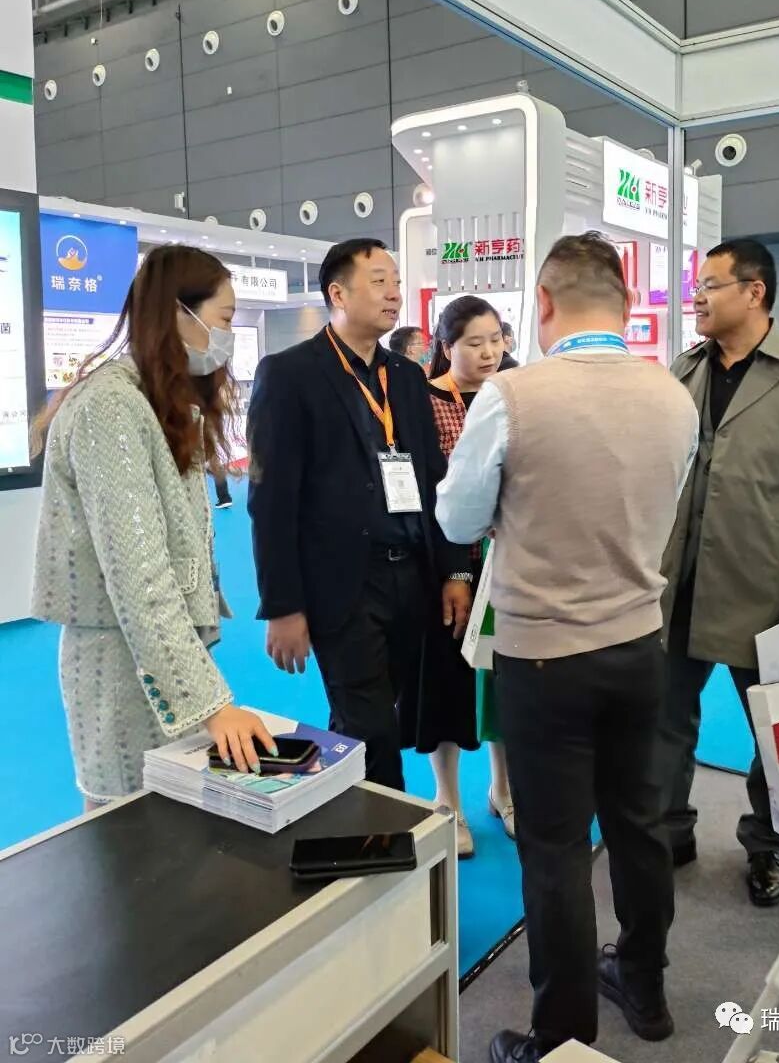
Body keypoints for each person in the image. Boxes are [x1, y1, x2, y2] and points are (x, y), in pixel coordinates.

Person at [437, 232, 699, 1062]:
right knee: (638, 824)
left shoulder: (512, 396)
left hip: (543, 654)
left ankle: (560, 1037)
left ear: (543, 303)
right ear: (626, 303)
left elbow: (456, 518)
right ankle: (645, 987)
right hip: (639, 643)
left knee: (554, 846)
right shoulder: (674, 395)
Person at [31, 245, 276, 807]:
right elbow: (138, 576)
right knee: (130, 823)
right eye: (224, 319)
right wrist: (213, 705)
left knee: (173, 819)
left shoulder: (156, 400)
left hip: (165, 653)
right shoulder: (110, 407)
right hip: (120, 663)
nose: (227, 336)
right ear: (177, 314)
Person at [657, 238, 779, 907]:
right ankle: (668, 832)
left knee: (777, 731)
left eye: (708, 286)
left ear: (754, 291)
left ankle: (765, 845)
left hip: (767, 593)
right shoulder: (684, 371)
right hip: (680, 585)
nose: (696, 298)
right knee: (663, 720)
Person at [246, 239, 473, 792]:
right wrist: (283, 606)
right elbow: (271, 501)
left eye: (396, 281)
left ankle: (342, 808)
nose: (394, 293)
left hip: (412, 575)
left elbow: (434, 481)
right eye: (378, 281)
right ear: (338, 293)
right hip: (343, 583)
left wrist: (454, 570)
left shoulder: (407, 377)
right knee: (371, 727)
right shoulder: (290, 375)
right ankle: (387, 836)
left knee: (371, 714)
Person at [421, 294, 514, 858]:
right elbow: (430, 492)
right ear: (446, 346)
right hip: (446, 565)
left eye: (496, 340)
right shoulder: (423, 399)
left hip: (508, 561)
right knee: (449, 682)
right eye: (474, 343)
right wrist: (452, 567)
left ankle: (503, 790)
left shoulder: (513, 393)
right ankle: (447, 800)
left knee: (503, 676)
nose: (488, 352)